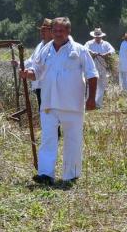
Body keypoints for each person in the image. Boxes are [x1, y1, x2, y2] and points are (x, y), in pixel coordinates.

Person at [21, 17, 98, 186]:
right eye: (54, 30)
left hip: (72, 104)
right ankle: (45, 174)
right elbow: (37, 72)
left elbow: (92, 74)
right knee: (48, 138)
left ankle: (71, 175)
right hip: (49, 102)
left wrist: (91, 98)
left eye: (61, 31)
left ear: (68, 31)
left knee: (73, 139)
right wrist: (28, 74)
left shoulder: (79, 50)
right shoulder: (45, 50)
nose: (57, 34)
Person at [25, 18, 53, 108]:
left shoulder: (55, 46)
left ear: (51, 31)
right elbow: (31, 61)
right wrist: (19, 64)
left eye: (44, 30)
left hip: (50, 86)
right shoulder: (40, 45)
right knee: (43, 111)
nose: (42, 32)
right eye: (41, 30)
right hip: (39, 85)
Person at [84, 27, 115, 108]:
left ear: (101, 36)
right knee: (91, 84)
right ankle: (89, 102)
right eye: (96, 37)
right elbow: (84, 49)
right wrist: (92, 53)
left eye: (99, 37)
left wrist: (107, 54)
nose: (98, 38)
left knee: (101, 85)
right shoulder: (89, 43)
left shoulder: (106, 44)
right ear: (94, 36)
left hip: (103, 66)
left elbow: (112, 50)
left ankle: (98, 103)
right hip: (92, 67)